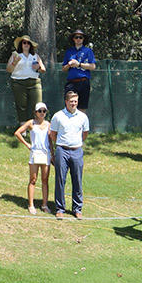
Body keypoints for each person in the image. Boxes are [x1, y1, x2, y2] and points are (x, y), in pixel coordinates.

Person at [48, 88, 90, 218]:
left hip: (77, 151)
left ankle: (77, 209)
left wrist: (75, 143)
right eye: (71, 101)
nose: (73, 104)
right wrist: (62, 144)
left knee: (77, 180)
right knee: (60, 179)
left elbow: (84, 134)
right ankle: (60, 208)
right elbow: (52, 134)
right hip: (62, 151)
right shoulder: (58, 116)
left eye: (75, 101)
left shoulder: (83, 117)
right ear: (66, 102)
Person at [12, 101, 52, 215]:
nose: (42, 113)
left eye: (44, 111)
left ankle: (45, 205)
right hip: (35, 154)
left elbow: (50, 140)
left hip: (46, 154)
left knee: (45, 180)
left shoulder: (48, 124)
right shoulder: (31, 123)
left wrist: (52, 154)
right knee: (33, 179)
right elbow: (17, 133)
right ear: (35, 112)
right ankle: (31, 205)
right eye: (40, 111)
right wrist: (27, 144)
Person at [6, 35, 46, 125]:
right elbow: (9, 69)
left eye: (28, 43)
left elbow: (43, 69)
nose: (26, 44)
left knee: (37, 105)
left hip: (34, 83)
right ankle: (23, 128)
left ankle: (37, 127)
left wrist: (38, 67)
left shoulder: (35, 56)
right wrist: (14, 62)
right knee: (21, 106)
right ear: (21, 44)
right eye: (24, 42)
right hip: (18, 82)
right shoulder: (15, 55)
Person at [62, 29, 97, 110]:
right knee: (69, 107)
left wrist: (79, 64)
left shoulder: (88, 51)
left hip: (83, 82)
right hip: (71, 83)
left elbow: (93, 66)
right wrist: (69, 65)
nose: (78, 39)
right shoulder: (69, 52)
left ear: (83, 39)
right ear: (73, 39)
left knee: (82, 107)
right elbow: (64, 69)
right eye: (76, 37)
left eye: (80, 37)